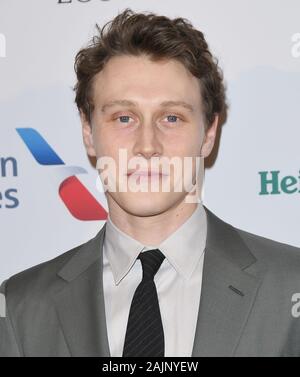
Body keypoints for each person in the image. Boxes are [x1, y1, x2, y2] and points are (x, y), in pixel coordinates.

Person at [1, 8, 300, 357]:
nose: (147, 146)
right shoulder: (20, 310)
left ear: (209, 133)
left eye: (171, 118)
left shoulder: (290, 288)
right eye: (123, 117)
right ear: (88, 133)